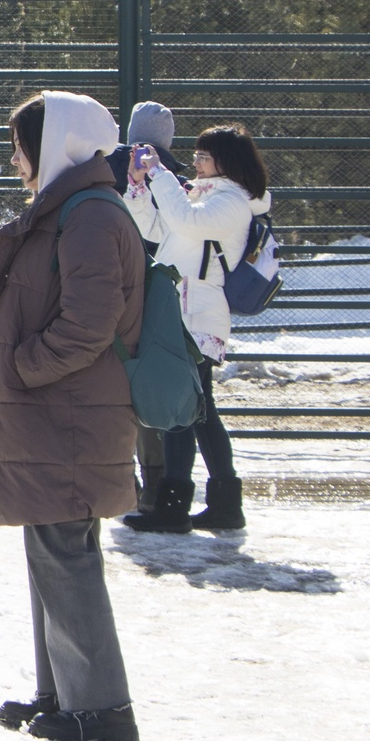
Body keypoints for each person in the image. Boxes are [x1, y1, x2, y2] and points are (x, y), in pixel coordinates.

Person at [0, 91, 147, 741]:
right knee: (53, 550)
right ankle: (62, 692)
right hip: (63, 412)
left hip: (69, 412)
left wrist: (25, 366)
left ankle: (101, 707)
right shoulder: (74, 208)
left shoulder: (88, 215)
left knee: (64, 552)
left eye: (21, 146)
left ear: (55, 143)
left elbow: (88, 321)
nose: (13, 161)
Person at [121, 123, 273, 535]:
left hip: (199, 314)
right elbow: (157, 230)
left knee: (181, 414)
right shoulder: (205, 196)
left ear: (226, 161)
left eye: (204, 155)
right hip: (185, 311)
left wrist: (159, 175)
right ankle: (224, 505)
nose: (196, 161)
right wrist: (137, 189)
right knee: (201, 415)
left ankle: (173, 508)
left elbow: (184, 221)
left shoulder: (232, 203)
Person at [108, 102, 177, 512]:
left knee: (112, 382)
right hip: (158, 290)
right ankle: (156, 484)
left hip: (114, 284)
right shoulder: (175, 176)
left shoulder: (108, 166)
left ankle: (124, 479)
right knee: (150, 384)